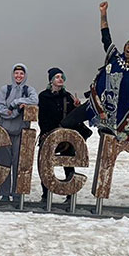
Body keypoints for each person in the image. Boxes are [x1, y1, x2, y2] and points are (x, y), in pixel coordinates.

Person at [60, 1, 129, 142]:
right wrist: (103, 14)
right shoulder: (115, 58)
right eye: (128, 44)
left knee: (107, 145)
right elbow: (106, 38)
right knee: (67, 123)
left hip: (117, 115)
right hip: (96, 104)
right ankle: (83, 134)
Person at [0, 63, 38, 202]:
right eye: (16, 73)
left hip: (21, 132)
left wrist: (15, 103)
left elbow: (34, 100)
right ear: (12, 74)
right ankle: (5, 194)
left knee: (18, 163)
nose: (18, 76)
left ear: (25, 75)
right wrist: (16, 111)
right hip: (4, 131)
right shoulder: (5, 89)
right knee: (3, 162)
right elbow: (0, 107)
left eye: (21, 73)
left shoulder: (29, 90)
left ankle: (17, 194)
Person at [37, 67, 80, 201]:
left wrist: (77, 106)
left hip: (66, 135)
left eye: (62, 77)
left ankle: (70, 194)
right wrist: (48, 132)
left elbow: (73, 116)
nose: (60, 79)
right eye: (57, 77)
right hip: (49, 134)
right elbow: (42, 117)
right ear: (51, 80)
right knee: (45, 165)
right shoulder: (43, 96)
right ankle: (46, 194)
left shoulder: (68, 96)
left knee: (68, 163)